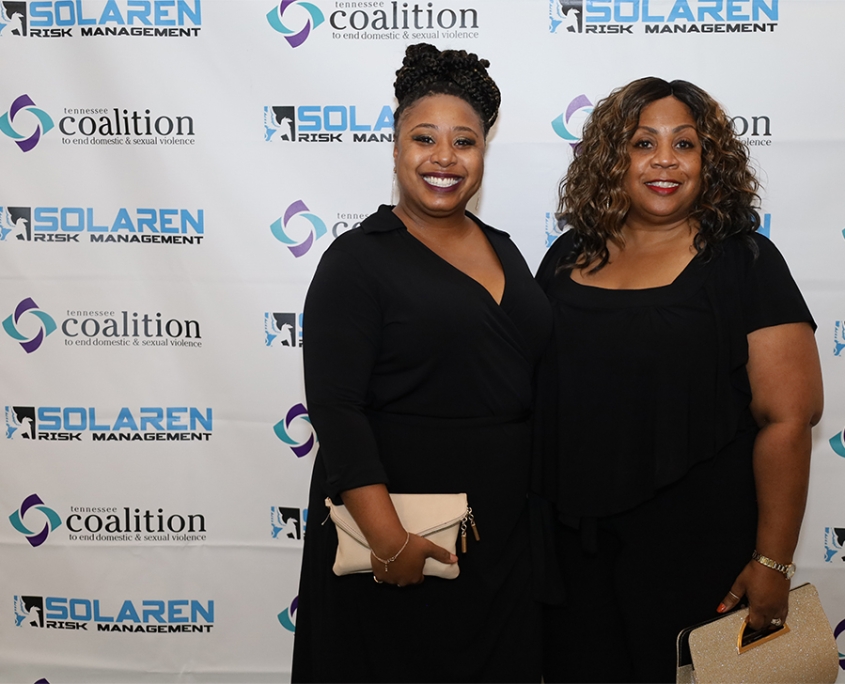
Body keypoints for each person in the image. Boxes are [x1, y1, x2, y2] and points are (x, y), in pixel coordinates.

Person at [535, 77, 823, 683]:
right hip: (573, 553)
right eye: (643, 143)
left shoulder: (746, 262)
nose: (664, 160)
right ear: (613, 158)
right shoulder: (565, 258)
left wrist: (772, 561)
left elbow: (788, 419)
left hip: (702, 555)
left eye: (684, 144)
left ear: (708, 161)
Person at [291, 43, 551, 683]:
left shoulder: (506, 249)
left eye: (464, 141)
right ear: (396, 148)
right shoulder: (357, 259)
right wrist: (389, 540)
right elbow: (337, 410)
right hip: (404, 532)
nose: (444, 157)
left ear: (483, 152)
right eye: (424, 138)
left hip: (501, 537)